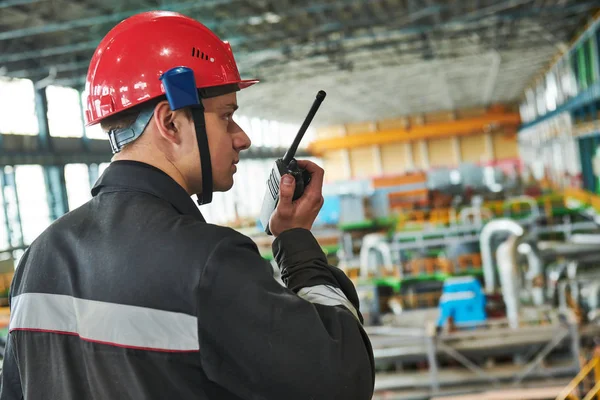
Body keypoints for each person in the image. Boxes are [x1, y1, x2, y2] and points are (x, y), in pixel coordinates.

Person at [0, 10, 375, 400]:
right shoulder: (208, 261)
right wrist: (297, 244)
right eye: (227, 117)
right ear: (171, 122)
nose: (242, 138)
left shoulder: (37, 259)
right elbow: (345, 377)